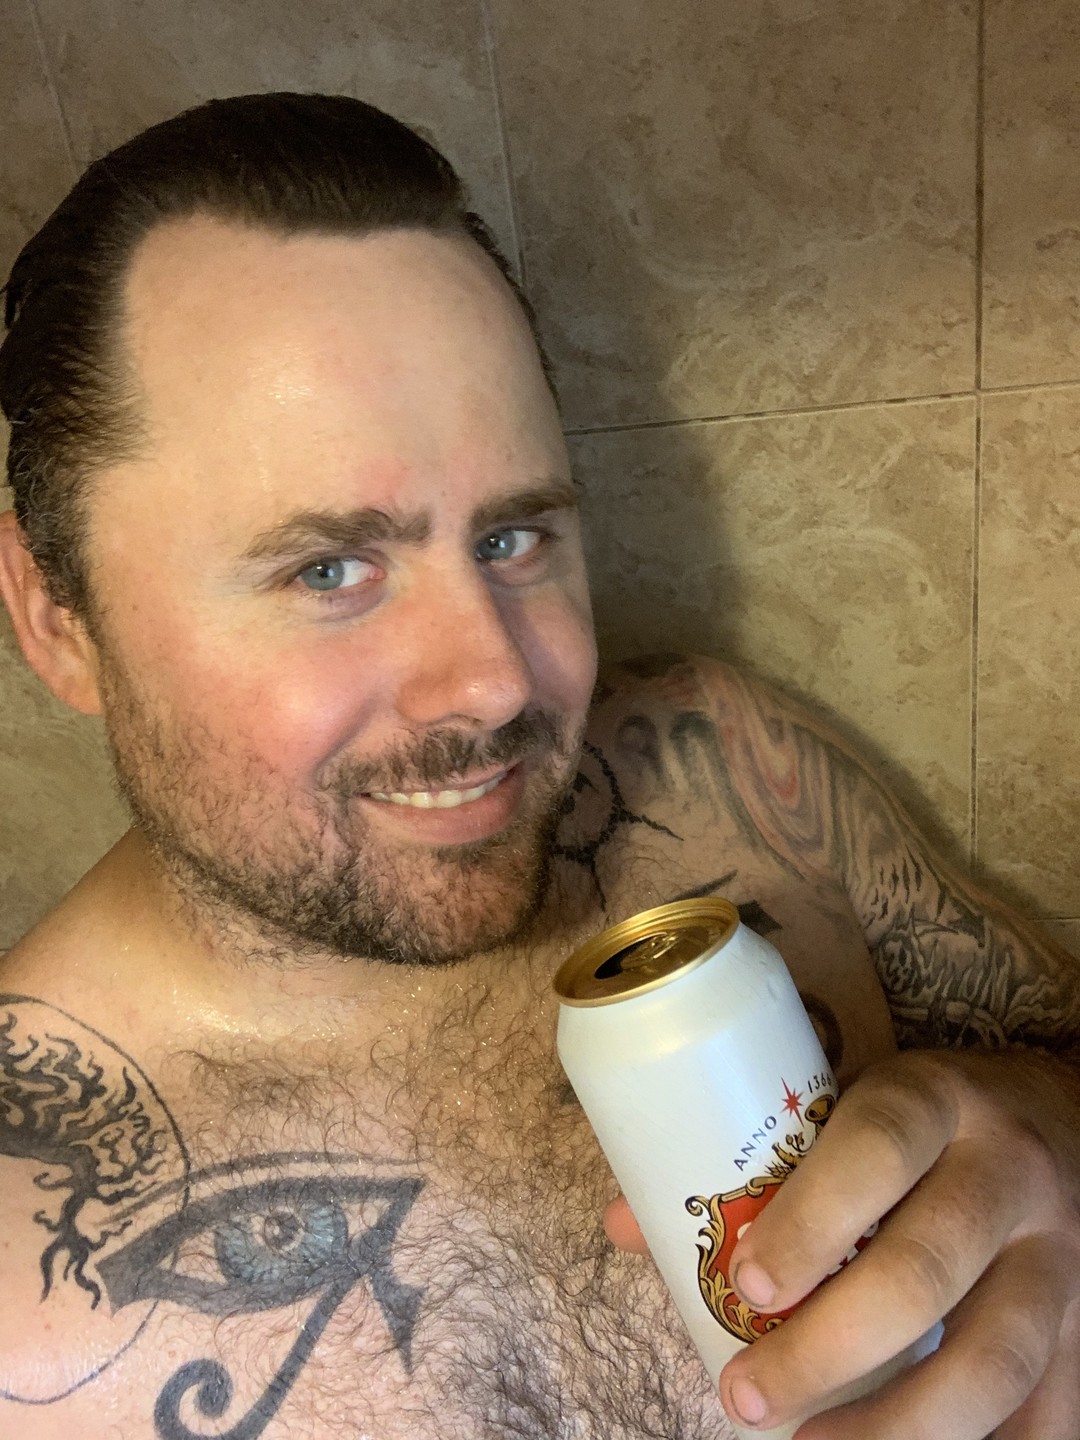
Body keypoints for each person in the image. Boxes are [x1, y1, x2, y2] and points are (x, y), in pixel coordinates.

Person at [0, 92, 1076, 1440]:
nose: (499, 682)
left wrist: (1047, 1134)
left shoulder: (725, 769)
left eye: (513, 540)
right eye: (328, 569)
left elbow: (1053, 1039)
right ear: (56, 615)